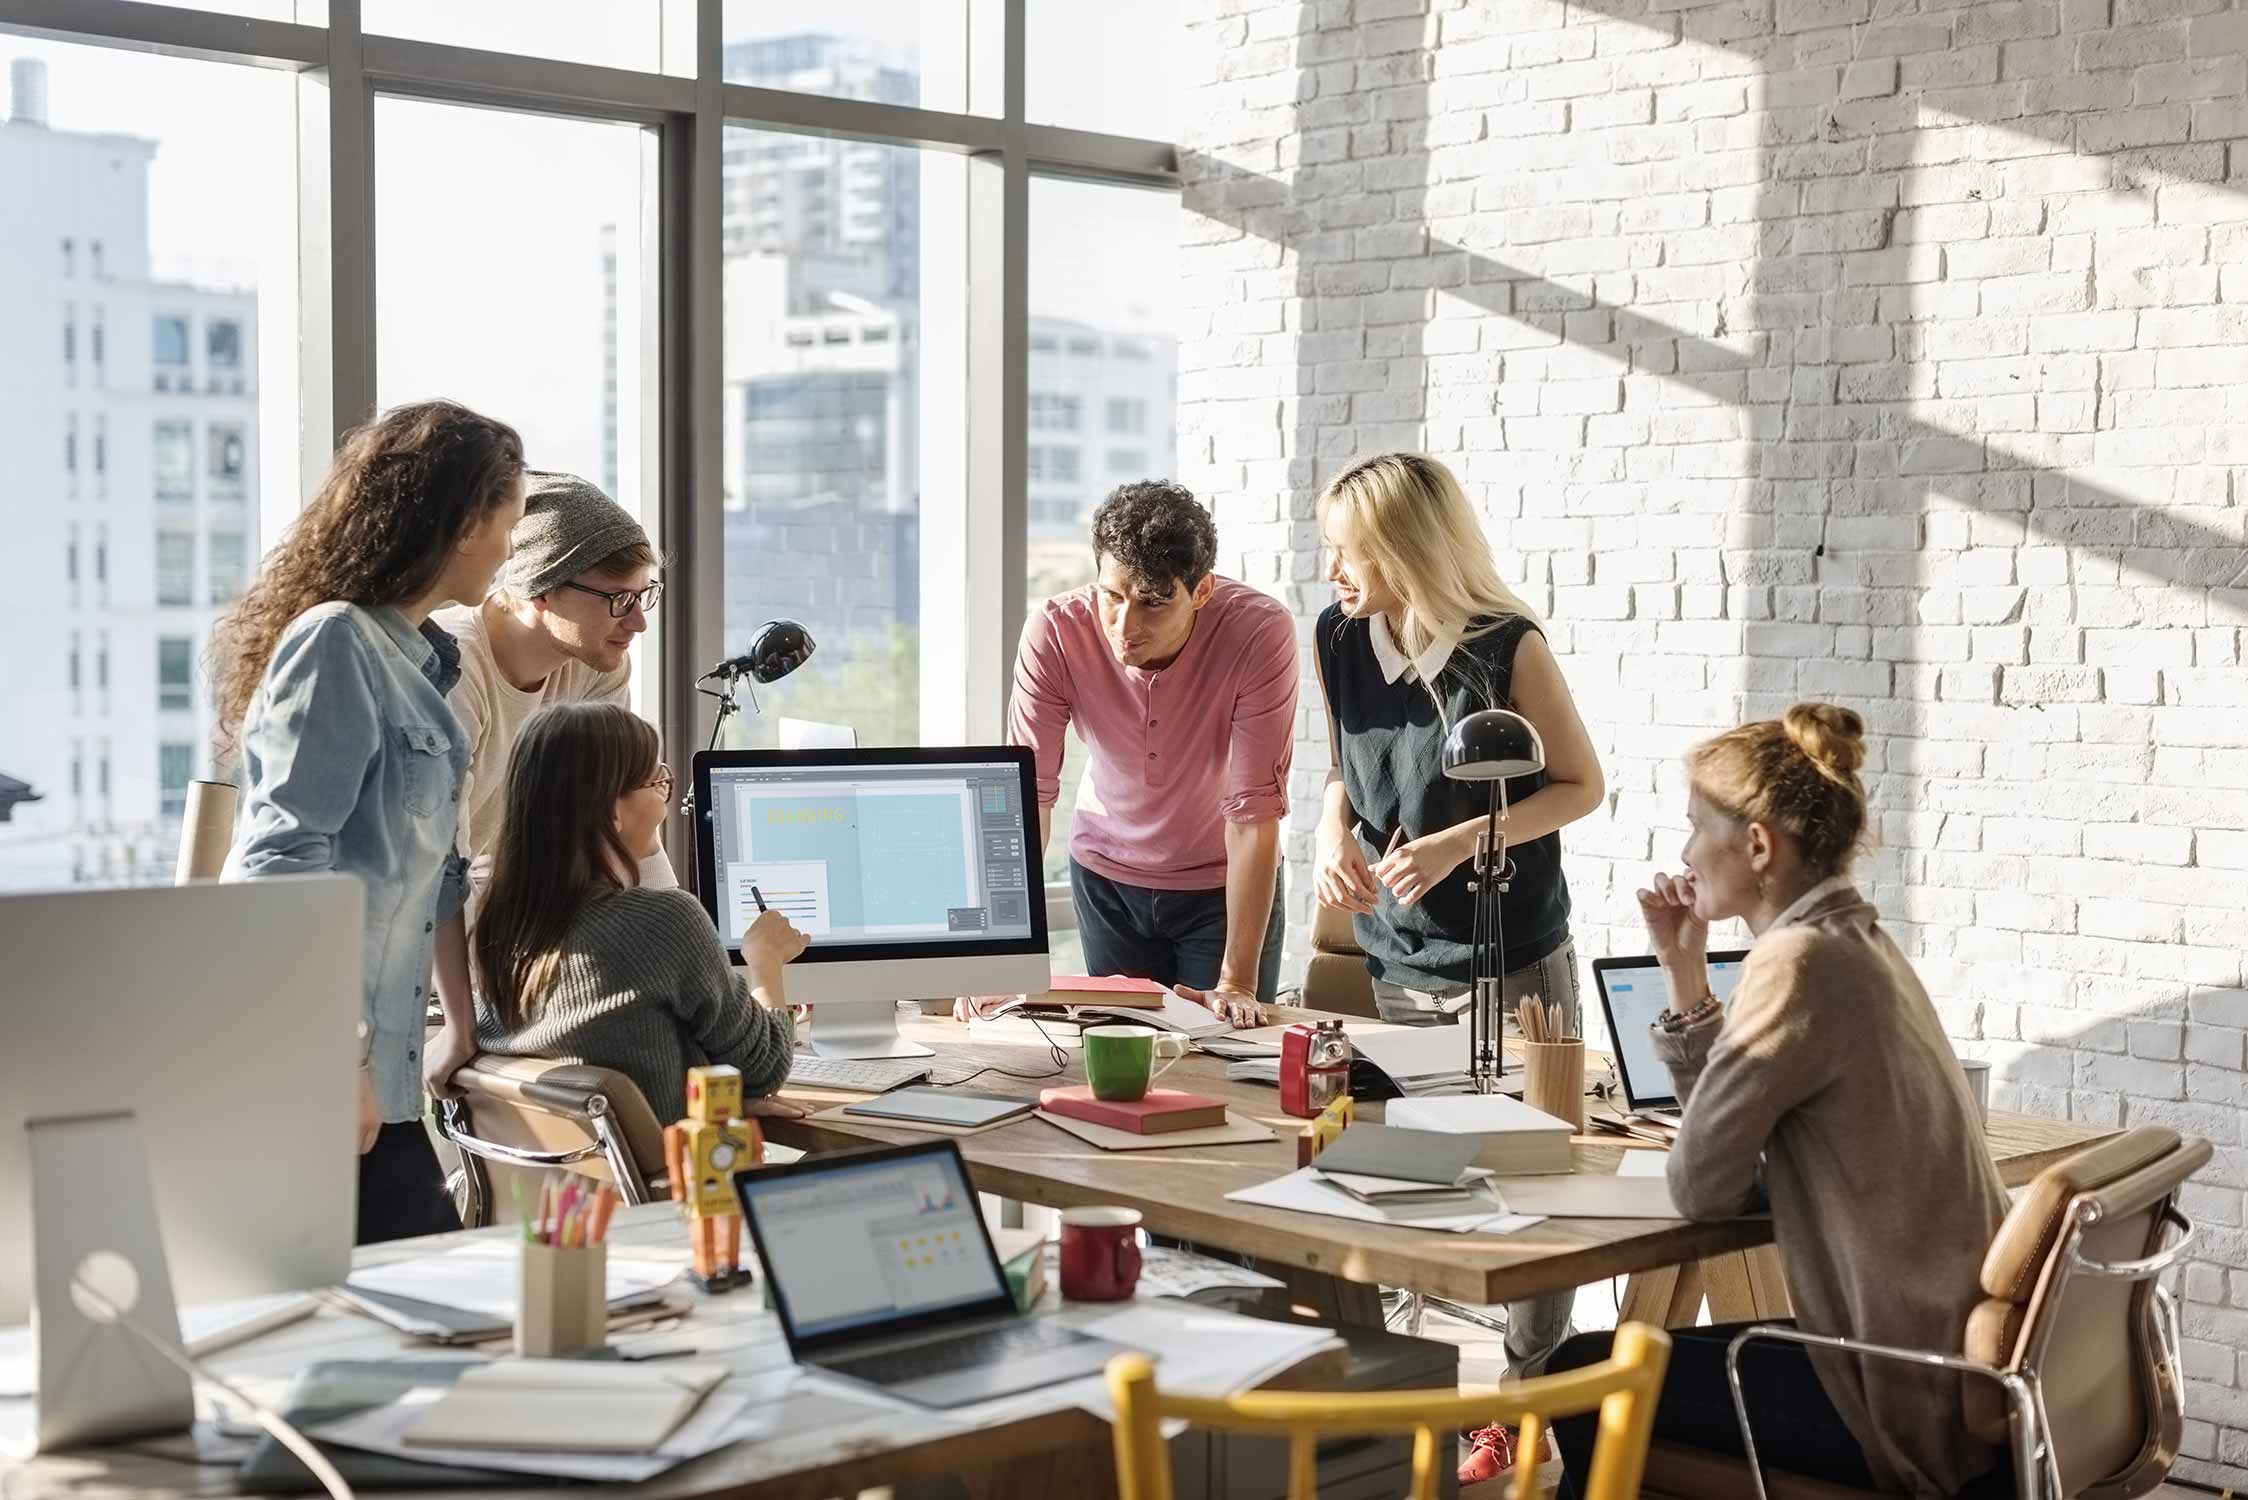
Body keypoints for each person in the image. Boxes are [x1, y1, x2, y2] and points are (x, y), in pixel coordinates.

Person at [1545, 704, 2009, 1499]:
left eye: (1696, 827)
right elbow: (1739, 1171)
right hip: (1940, 1359)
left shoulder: (1794, 963)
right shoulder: (1854, 939)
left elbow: (1701, 1188)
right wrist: (1684, 974)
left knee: (1582, 1373)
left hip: (1886, 1389)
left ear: (1756, 845)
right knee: (1637, 1354)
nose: (1686, 851)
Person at [1308, 451, 1604, 1486]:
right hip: (1399, 956)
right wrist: (1328, 839)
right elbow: (1341, 775)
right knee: (1404, 1173)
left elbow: (1579, 786)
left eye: (1347, 552)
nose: (1334, 570)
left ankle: (1527, 1409)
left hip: (1514, 954)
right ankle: (1403, 1403)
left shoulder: (1505, 646)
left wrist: (1467, 840)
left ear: (1403, 549)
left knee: (1534, 1182)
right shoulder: (1339, 638)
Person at [217, 399, 526, 1245]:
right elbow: (280, 867)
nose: (510, 548)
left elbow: (442, 877)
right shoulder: (336, 644)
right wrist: (334, 1058)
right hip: (318, 1074)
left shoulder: (431, 661)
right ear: (466, 524)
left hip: (384, 1080)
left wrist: (460, 1027)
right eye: (509, 522)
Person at [991, 480, 1297, 1024]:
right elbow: (1025, 800)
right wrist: (993, 962)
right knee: (1116, 1050)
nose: (1124, 627)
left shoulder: (1259, 631)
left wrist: (1237, 983)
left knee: (1225, 1055)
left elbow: (1253, 814)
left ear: (1201, 590)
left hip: (1220, 885)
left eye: (1153, 603)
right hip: (1107, 880)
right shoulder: (1055, 632)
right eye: (1112, 596)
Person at [471, 702, 806, 1123]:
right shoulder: (664, 921)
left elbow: (616, 1046)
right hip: (666, 1187)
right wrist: (766, 961)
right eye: (657, 783)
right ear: (613, 810)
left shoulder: (498, 929)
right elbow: (765, 1068)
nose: (665, 801)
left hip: (568, 1187)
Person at [428, 470, 663, 916]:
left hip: (501, 900)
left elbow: (624, 810)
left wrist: (690, 948)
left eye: (643, 596)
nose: (638, 623)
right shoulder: (451, 669)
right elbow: (442, 868)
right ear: (543, 591)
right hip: (396, 921)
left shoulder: (597, 666)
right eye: (618, 599)